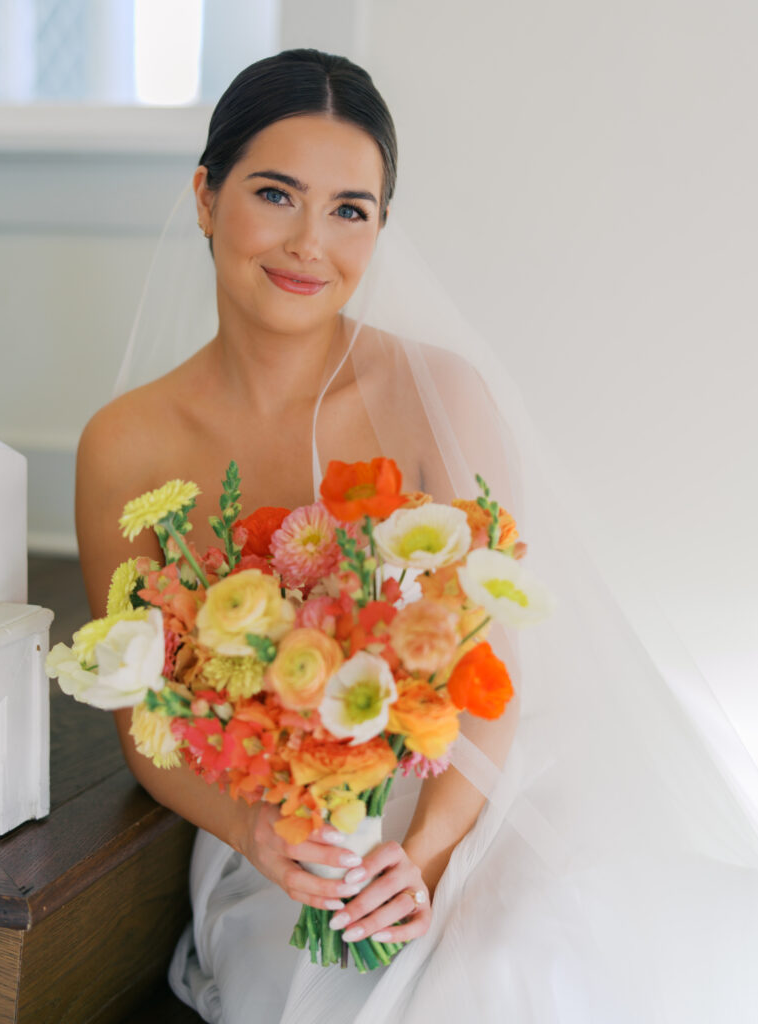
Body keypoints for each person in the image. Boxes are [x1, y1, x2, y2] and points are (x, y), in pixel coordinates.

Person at [76, 49, 758, 1023]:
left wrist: (428, 852)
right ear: (204, 195)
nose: (311, 243)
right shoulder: (123, 444)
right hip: (288, 825)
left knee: (524, 958)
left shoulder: (440, 393)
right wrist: (258, 831)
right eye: (276, 194)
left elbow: (493, 676)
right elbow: (142, 722)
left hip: (473, 792)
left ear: (380, 229)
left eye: (350, 210)